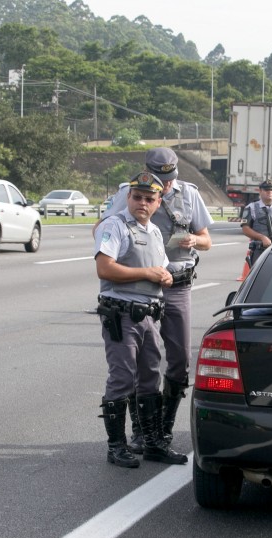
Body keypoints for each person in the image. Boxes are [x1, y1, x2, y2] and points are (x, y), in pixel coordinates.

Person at [97, 147, 213, 455]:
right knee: (131, 369)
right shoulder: (128, 195)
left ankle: (160, 431)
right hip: (135, 290)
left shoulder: (188, 194)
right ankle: (137, 435)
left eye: (155, 195)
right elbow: (102, 237)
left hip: (174, 285)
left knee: (175, 362)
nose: (146, 201)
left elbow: (206, 239)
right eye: (142, 197)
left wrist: (193, 242)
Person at [94, 171, 187, 468]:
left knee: (149, 379)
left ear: (158, 202)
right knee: (122, 379)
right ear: (128, 198)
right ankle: (116, 446)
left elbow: (159, 268)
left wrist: (166, 276)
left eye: (149, 199)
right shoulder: (115, 226)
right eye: (137, 197)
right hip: (122, 316)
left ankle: (153, 443)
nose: (142, 203)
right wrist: (147, 274)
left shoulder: (155, 232)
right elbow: (105, 268)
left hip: (150, 316)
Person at [240, 179, 272, 266]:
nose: (269, 192)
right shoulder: (251, 207)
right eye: (266, 190)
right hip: (259, 250)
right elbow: (245, 229)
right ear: (260, 191)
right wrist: (262, 238)